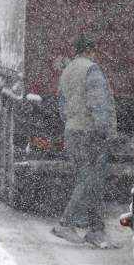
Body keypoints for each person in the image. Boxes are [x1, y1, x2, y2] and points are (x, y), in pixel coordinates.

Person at [51, 35, 118, 248]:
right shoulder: (92, 70)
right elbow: (97, 102)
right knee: (90, 179)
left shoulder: (67, 71)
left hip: (72, 130)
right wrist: (103, 129)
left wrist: (73, 120)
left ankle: (96, 231)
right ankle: (66, 223)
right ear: (90, 49)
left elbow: (62, 105)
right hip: (90, 133)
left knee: (91, 181)